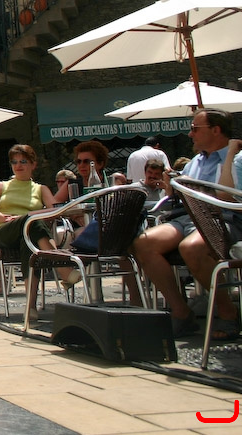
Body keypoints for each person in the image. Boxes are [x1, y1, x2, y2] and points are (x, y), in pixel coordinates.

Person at [132, 109, 237, 339]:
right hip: (187, 217)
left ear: (216, 130)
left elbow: (226, 197)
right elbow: (178, 197)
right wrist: (172, 185)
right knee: (143, 243)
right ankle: (181, 312)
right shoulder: (195, 162)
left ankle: (229, 313)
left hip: (222, 219)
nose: (190, 134)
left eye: (195, 129)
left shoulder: (236, 158)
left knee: (191, 247)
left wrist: (229, 155)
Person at [0, 144, 80, 322]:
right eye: (14, 162)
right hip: (4, 231)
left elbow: (55, 211)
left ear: (33, 164)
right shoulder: (1, 186)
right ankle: (62, 268)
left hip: (28, 233)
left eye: (23, 161)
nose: (18, 165)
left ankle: (30, 307)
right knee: (30, 222)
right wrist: (4, 218)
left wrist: (28, 217)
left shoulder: (41, 189)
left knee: (28, 236)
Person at [52, 140, 110, 204]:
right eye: (78, 161)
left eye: (86, 161)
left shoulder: (109, 183)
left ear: (100, 164)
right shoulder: (72, 184)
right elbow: (54, 204)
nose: (81, 165)